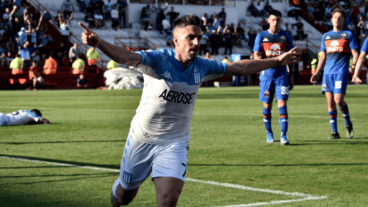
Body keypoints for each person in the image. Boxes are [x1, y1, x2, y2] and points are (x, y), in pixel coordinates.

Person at [79, 14, 297, 207]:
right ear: (176, 40)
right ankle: (119, 187)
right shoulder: (157, 60)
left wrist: (277, 60)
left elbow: (239, 67)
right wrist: (98, 42)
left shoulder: (202, 65)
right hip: (142, 138)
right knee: (124, 197)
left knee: (168, 199)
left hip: (175, 142)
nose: (196, 42)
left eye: (199, 38)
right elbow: (126, 57)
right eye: (190, 37)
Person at [310, 8, 358, 140]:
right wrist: (317, 72)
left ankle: (348, 123)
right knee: (330, 102)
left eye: (340, 17)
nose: (337, 19)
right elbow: (322, 57)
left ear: (343, 20)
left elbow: (355, 53)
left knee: (338, 100)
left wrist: (353, 65)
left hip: (341, 72)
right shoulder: (326, 36)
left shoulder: (348, 35)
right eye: (335, 17)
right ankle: (334, 132)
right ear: (331, 19)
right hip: (327, 74)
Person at [253, 10, 295, 145]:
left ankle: (284, 135)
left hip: (282, 76)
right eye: (273, 20)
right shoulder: (261, 36)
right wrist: (260, 63)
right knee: (267, 105)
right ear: (268, 21)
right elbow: (255, 55)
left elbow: (291, 58)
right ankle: (269, 132)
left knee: (282, 104)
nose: (275, 22)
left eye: (278, 20)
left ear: (281, 21)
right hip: (266, 77)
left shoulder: (286, 37)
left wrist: (292, 75)